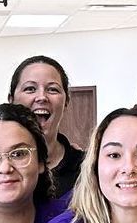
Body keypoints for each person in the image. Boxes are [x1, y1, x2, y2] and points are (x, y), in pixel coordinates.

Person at [10, 55, 85, 196]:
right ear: (11, 100)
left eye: (52, 89)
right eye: (30, 89)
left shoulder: (87, 169)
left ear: (66, 102)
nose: (41, 97)